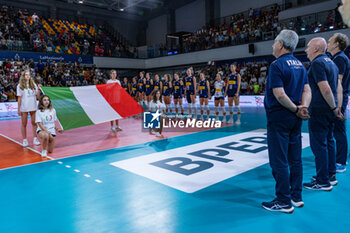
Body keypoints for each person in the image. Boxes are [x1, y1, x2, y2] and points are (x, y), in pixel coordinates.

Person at [262, 30, 311, 213]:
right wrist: (302, 107)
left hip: (280, 118)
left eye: (275, 42)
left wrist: (295, 108)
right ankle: (296, 196)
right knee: (295, 158)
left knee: (279, 160)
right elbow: (307, 90)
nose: (273, 46)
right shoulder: (300, 65)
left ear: (281, 44)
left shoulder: (276, 65)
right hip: (295, 120)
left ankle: (283, 201)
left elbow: (280, 94)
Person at [303, 37, 344, 191]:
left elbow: (325, 88)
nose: (306, 50)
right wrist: (336, 107)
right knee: (329, 142)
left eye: (308, 47)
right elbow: (337, 88)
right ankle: (330, 175)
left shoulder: (317, 64)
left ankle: (322, 181)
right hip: (329, 109)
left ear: (316, 49)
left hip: (320, 110)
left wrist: (334, 108)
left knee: (319, 145)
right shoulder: (331, 63)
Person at [327, 33, 350, 173]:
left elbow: (338, 82)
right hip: (340, 97)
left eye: (330, 41)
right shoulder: (339, 58)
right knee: (338, 130)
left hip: (339, 97)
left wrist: (338, 105)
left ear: (336, 44)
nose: (328, 43)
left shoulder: (339, 59)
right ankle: (340, 158)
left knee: (339, 130)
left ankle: (340, 161)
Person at [17, 70, 41, 147]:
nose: (28, 76)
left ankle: (35, 138)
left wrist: (39, 89)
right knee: (24, 124)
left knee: (34, 123)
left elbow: (37, 97)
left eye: (29, 75)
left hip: (33, 106)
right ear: (23, 76)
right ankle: (24, 140)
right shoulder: (20, 85)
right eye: (26, 75)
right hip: (24, 107)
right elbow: (19, 98)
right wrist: (18, 109)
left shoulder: (33, 84)